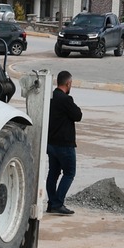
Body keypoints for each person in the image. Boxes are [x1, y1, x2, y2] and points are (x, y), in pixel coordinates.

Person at [45, 72, 81, 215]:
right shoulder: (66, 99)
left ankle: (51, 202)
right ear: (68, 84)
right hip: (64, 144)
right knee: (69, 173)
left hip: (51, 143)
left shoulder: (51, 97)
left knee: (53, 173)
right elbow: (78, 115)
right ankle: (58, 203)